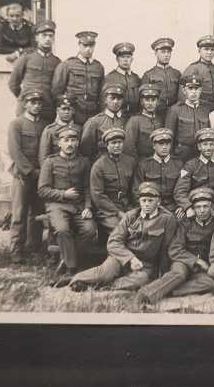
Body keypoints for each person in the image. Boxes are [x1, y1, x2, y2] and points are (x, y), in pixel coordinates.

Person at [68, 182, 177, 292]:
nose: (146, 204)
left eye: (150, 200)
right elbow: (113, 241)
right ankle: (76, 280)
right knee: (105, 273)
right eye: (144, 200)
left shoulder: (167, 219)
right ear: (139, 201)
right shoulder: (131, 216)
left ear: (158, 202)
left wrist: (162, 273)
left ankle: (102, 287)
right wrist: (130, 259)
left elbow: (166, 248)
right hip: (121, 257)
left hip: (145, 264)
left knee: (139, 281)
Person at [135, 187, 214, 305]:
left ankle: (167, 291)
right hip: (183, 261)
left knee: (210, 283)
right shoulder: (185, 223)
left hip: (205, 267)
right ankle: (145, 294)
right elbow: (175, 249)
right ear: (193, 208)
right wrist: (197, 261)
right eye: (198, 207)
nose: (202, 210)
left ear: (211, 207)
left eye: (205, 206)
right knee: (178, 274)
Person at [38, 126, 97, 287]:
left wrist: (88, 207)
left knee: (90, 230)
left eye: (73, 140)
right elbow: (42, 190)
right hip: (56, 205)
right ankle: (72, 269)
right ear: (59, 143)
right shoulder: (50, 162)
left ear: (77, 142)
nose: (70, 143)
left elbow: (87, 188)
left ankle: (67, 259)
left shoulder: (84, 162)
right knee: (63, 229)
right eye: (66, 140)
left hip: (78, 206)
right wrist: (63, 195)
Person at [7, 90, 49, 263]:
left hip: (41, 176)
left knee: (37, 213)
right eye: (33, 102)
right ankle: (16, 249)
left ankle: (35, 247)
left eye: (39, 103)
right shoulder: (16, 124)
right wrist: (31, 171)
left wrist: (44, 173)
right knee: (19, 213)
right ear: (25, 104)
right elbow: (14, 151)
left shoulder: (45, 125)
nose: (36, 106)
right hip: (23, 176)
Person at [8, 20, 60, 121]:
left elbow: (58, 87)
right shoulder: (27, 58)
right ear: (37, 38)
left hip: (47, 107)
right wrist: (23, 98)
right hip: (27, 106)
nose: (48, 39)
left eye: (50, 36)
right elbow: (13, 83)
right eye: (44, 35)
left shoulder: (56, 62)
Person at [89, 128, 136, 240]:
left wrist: (135, 208)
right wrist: (118, 212)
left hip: (127, 206)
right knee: (121, 231)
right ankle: (116, 256)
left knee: (140, 227)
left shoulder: (130, 161)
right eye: (113, 143)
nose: (117, 146)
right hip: (107, 211)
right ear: (107, 145)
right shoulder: (99, 165)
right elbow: (98, 196)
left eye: (119, 142)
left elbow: (134, 188)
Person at [52, 31, 105, 125]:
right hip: (73, 114)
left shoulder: (98, 67)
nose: (88, 49)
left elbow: (101, 95)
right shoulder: (68, 65)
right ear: (79, 45)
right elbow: (57, 91)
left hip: (92, 114)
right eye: (85, 46)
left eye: (91, 46)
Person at [173, 128, 214, 221]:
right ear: (199, 147)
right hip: (194, 205)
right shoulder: (190, 165)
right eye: (205, 145)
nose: (208, 148)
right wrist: (187, 207)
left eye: (211, 144)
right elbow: (180, 191)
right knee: (182, 220)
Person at [131, 128, 184, 216]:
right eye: (161, 143)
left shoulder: (178, 164)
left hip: (173, 208)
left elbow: (183, 189)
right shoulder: (144, 165)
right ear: (154, 145)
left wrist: (182, 206)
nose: (164, 147)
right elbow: (136, 192)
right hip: (150, 208)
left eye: (167, 143)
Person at [165, 74, 211, 162]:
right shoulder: (175, 110)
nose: (194, 92)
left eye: (196, 88)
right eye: (190, 88)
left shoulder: (206, 109)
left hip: (202, 153)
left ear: (201, 90)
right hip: (182, 154)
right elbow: (169, 137)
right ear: (184, 90)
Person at [79, 83, 128, 161]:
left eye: (119, 99)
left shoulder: (128, 120)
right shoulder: (94, 122)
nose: (116, 102)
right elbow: (85, 149)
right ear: (105, 99)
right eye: (112, 98)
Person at [141, 38, 182, 118]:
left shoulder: (177, 74)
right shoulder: (149, 75)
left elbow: (181, 96)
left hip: (174, 114)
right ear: (156, 53)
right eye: (163, 52)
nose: (166, 55)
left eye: (168, 52)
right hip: (156, 114)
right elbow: (143, 99)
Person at [123, 84, 164, 161]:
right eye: (147, 100)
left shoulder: (160, 119)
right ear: (142, 101)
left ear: (157, 101)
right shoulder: (134, 121)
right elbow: (128, 147)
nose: (150, 103)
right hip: (142, 161)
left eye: (153, 100)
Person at [180, 35, 214, 111]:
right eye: (206, 49)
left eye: (212, 50)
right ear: (199, 50)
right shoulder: (192, 68)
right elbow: (183, 92)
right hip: (199, 108)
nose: (209, 52)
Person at [38, 94, 82, 166]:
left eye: (69, 109)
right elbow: (43, 157)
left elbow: (82, 153)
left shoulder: (79, 129)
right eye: (63, 109)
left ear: (73, 111)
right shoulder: (50, 130)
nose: (66, 112)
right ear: (57, 111)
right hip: (55, 169)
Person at [101, 42, 142, 115]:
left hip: (134, 117)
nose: (125, 60)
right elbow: (103, 103)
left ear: (132, 59)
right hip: (117, 118)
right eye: (122, 57)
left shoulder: (136, 78)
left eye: (128, 57)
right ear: (117, 59)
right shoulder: (109, 78)